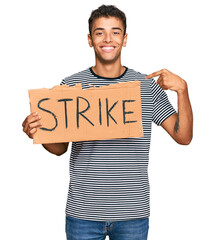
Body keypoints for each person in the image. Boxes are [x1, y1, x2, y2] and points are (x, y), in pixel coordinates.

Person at [22, 4, 193, 240]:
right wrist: (39, 134)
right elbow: (60, 148)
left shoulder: (145, 87)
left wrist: (182, 90)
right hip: (83, 211)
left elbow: (183, 137)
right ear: (90, 39)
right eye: (99, 32)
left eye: (115, 31)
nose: (107, 38)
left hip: (132, 212)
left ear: (125, 39)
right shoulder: (69, 87)